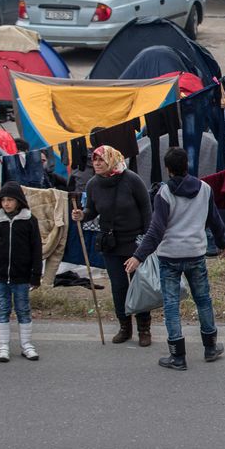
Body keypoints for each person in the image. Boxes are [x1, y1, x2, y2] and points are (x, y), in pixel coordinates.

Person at [129, 147, 225, 371]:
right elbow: (215, 220)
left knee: (172, 305)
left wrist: (138, 256)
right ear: (187, 165)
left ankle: (177, 356)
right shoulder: (205, 189)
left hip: (170, 257)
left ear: (167, 169)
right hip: (195, 254)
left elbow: (156, 230)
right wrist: (222, 244)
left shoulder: (164, 194)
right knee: (203, 300)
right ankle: (210, 347)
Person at [71, 146, 154, 348]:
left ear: (112, 159)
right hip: (110, 242)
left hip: (134, 241)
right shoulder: (93, 184)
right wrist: (82, 215)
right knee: (118, 287)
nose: (96, 163)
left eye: (101, 159)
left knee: (139, 286)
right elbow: (91, 209)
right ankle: (125, 327)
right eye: (95, 160)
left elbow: (146, 210)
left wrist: (147, 242)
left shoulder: (132, 180)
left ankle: (144, 329)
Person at [0, 182, 43, 362]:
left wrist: (35, 274)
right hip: (0, 275)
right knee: (2, 309)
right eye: (3, 200)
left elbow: (36, 248)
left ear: (19, 201)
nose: (7, 204)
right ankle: (3, 345)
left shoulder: (29, 220)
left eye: (10, 200)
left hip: (22, 275)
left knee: (23, 309)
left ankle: (26, 345)